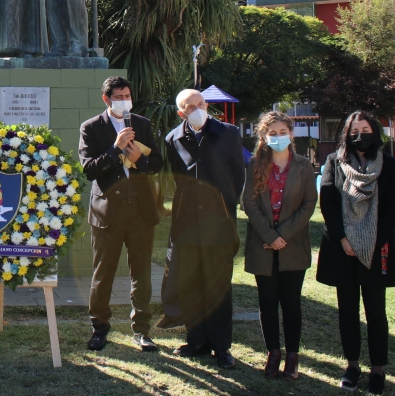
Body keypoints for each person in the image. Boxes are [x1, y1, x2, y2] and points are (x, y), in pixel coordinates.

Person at [317, 111, 395, 395]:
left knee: (376, 312)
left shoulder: (390, 166)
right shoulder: (334, 162)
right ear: (346, 133)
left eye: (365, 129)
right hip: (343, 250)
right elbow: (328, 201)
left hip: (377, 248)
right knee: (348, 311)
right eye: (354, 130)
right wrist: (343, 238)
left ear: (375, 132)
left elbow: (394, 208)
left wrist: (373, 241)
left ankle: (377, 370)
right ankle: (352, 366)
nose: (360, 135)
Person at [79, 76, 163, 352]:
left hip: (140, 209)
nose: (125, 101)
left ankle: (142, 330)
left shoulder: (142, 124)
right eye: (119, 97)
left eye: (128, 96)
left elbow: (157, 164)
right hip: (107, 211)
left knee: (142, 273)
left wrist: (141, 160)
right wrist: (115, 148)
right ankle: (100, 328)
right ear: (107, 99)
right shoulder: (91, 127)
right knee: (103, 272)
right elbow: (90, 169)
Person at [164, 89, 245, 369]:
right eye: (191, 106)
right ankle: (196, 340)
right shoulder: (173, 139)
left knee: (218, 287)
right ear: (181, 112)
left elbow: (238, 177)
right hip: (187, 225)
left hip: (219, 224)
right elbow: (176, 178)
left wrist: (223, 208)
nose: (198, 108)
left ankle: (222, 347)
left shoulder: (229, 133)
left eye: (201, 103)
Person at [242, 112, 317, 380]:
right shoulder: (254, 165)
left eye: (282, 132)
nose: (277, 137)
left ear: (291, 134)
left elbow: (309, 204)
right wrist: (269, 236)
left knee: (291, 302)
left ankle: (293, 356)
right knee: (268, 301)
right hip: (262, 244)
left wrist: (282, 234)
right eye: (271, 133)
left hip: (292, 244)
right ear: (263, 136)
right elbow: (248, 203)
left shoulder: (303, 166)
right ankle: (273, 353)